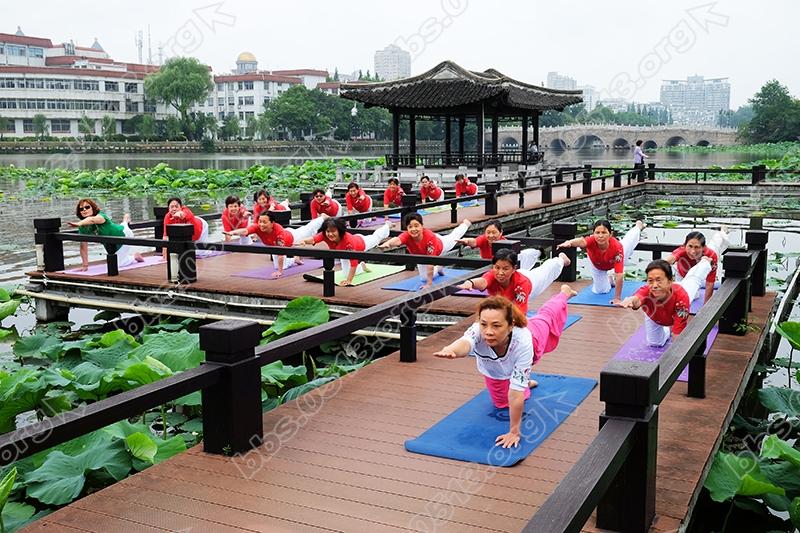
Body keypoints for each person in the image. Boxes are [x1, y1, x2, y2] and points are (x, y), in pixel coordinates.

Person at [433, 286, 577, 448]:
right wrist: (451, 350)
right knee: (502, 403)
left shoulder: (523, 340)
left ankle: (564, 293)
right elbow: (465, 344)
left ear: (510, 325)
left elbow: (515, 395)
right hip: (496, 368)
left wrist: (514, 431)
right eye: (484, 324)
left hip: (535, 337)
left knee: (546, 316)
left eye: (496, 326)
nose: (488, 332)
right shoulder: (478, 331)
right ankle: (525, 381)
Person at [618, 258, 713, 347]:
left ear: (670, 281)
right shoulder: (646, 290)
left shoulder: (682, 298)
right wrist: (630, 300)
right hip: (654, 315)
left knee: (693, 280)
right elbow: (637, 300)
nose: (654, 285)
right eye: (650, 281)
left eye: (658, 280)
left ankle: (705, 262)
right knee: (655, 343)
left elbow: (677, 335)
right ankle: (667, 329)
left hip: (679, 292)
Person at [556, 219, 646, 304]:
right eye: (597, 233)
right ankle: (609, 279)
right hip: (597, 266)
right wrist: (570, 242)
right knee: (601, 291)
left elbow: (619, 275)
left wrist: (617, 298)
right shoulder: (591, 240)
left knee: (629, 241)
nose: (600, 236)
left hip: (613, 261)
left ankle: (638, 227)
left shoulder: (617, 248)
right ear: (593, 234)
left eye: (604, 232)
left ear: (610, 234)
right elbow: (581, 241)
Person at [456, 248, 570, 314]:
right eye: (497, 267)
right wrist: (470, 283)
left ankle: (561, 260)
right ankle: (537, 253)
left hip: (531, 282)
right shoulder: (492, 274)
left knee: (546, 270)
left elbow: (521, 312)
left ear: (513, 268)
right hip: (513, 285)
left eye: (505, 269)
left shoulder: (522, 284)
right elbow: (483, 282)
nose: (500, 272)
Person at [378, 213, 470, 289]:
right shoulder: (407, 235)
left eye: (416, 226)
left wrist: (429, 284)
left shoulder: (430, 238)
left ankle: (465, 224)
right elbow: (397, 240)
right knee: (423, 278)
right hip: (420, 256)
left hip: (440, 245)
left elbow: (429, 261)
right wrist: (388, 244)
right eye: (410, 227)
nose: (413, 229)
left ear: (422, 226)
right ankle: (438, 268)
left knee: (453, 237)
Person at [223, 212, 325, 278]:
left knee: (309, 229)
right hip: (274, 246)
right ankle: (295, 259)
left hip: (292, 237)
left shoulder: (278, 232)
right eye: (260, 222)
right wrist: (232, 233)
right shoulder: (257, 227)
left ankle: (322, 217)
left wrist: (280, 272)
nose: (261, 224)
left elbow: (280, 252)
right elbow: (245, 231)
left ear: (272, 223)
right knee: (280, 266)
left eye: (264, 222)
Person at [298, 217, 391, 286]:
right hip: (342, 252)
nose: (330, 234)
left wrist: (349, 281)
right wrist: (304, 241)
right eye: (328, 231)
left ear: (339, 231)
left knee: (376, 238)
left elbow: (353, 263)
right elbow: (313, 239)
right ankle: (362, 266)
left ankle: (387, 226)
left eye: (333, 231)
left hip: (361, 243)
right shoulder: (325, 234)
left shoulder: (348, 242)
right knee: (346, 273)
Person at [68, 199, 144, 270]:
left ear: (93, 208)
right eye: (81, 209)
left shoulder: (101, 216)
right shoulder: (83, 228)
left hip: (124, 235)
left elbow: (92, 220)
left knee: (118, 264)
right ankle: (125, 220)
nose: (84, 210)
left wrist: (79, 223)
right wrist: (85, 265)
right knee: (113, 261)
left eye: (87, 207)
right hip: (110, 243)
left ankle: (135, 256)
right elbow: (83, 246)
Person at [664, 227, 730, 305]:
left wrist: (706, 307)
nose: (692, 252)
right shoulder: (681, 251)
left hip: (703, 265)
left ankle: (722, 232)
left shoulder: (711, 256)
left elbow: (709, 283)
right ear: (684, 246)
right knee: (690, 296)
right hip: (682, 274)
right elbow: (666, 261)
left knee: (716, 243)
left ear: (703, 247)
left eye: (696, 247)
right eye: (690, 246)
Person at [457, 219, 541, 268]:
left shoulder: (506, 244)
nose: (490, 235)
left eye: (494, 232)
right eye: (488, 232)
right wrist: (467, 241)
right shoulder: (483, 239)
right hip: (487, 267)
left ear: (501, 232)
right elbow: (474, 242)